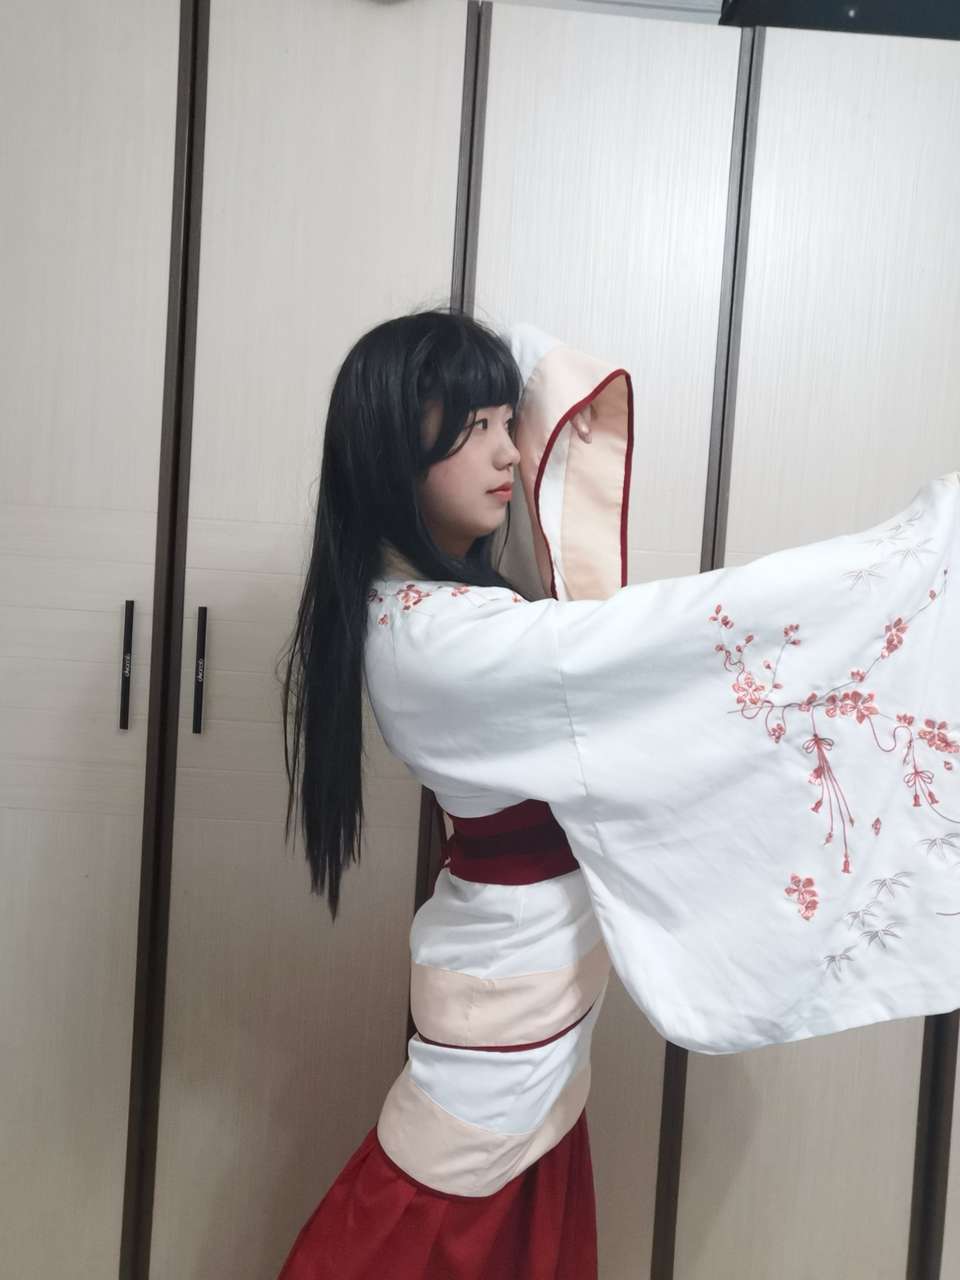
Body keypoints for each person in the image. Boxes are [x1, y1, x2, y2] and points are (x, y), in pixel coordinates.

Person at [275, 306, 960, 1277]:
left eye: (507, 421)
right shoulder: (434, 636)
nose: (509, 452)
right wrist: (917, 551)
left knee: (500, 1220)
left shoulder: (443, 607)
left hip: (527, 982)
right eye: (473, 427)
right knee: (422, 1224)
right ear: (393, 447)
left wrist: (487, 377)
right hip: (508, 996)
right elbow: (659, 637)